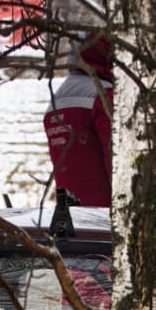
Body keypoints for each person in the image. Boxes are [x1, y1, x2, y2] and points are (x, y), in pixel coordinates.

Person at [43, 33, 113, 208]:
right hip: (106, 211)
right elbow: (116, 158)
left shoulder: (55, 99)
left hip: (71, 211)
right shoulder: (103, 95)